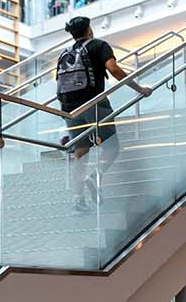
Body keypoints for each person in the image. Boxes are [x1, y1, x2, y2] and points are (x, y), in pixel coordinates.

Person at [54, 15, 149, 212]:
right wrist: (138, 88)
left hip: (70, 109)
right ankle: (95, 175)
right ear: (89, 30)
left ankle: (78, 200)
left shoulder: (66, 52)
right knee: (111, 147)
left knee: (80, 152)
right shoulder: (98, 45)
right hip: (95, 104)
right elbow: (113, 69)